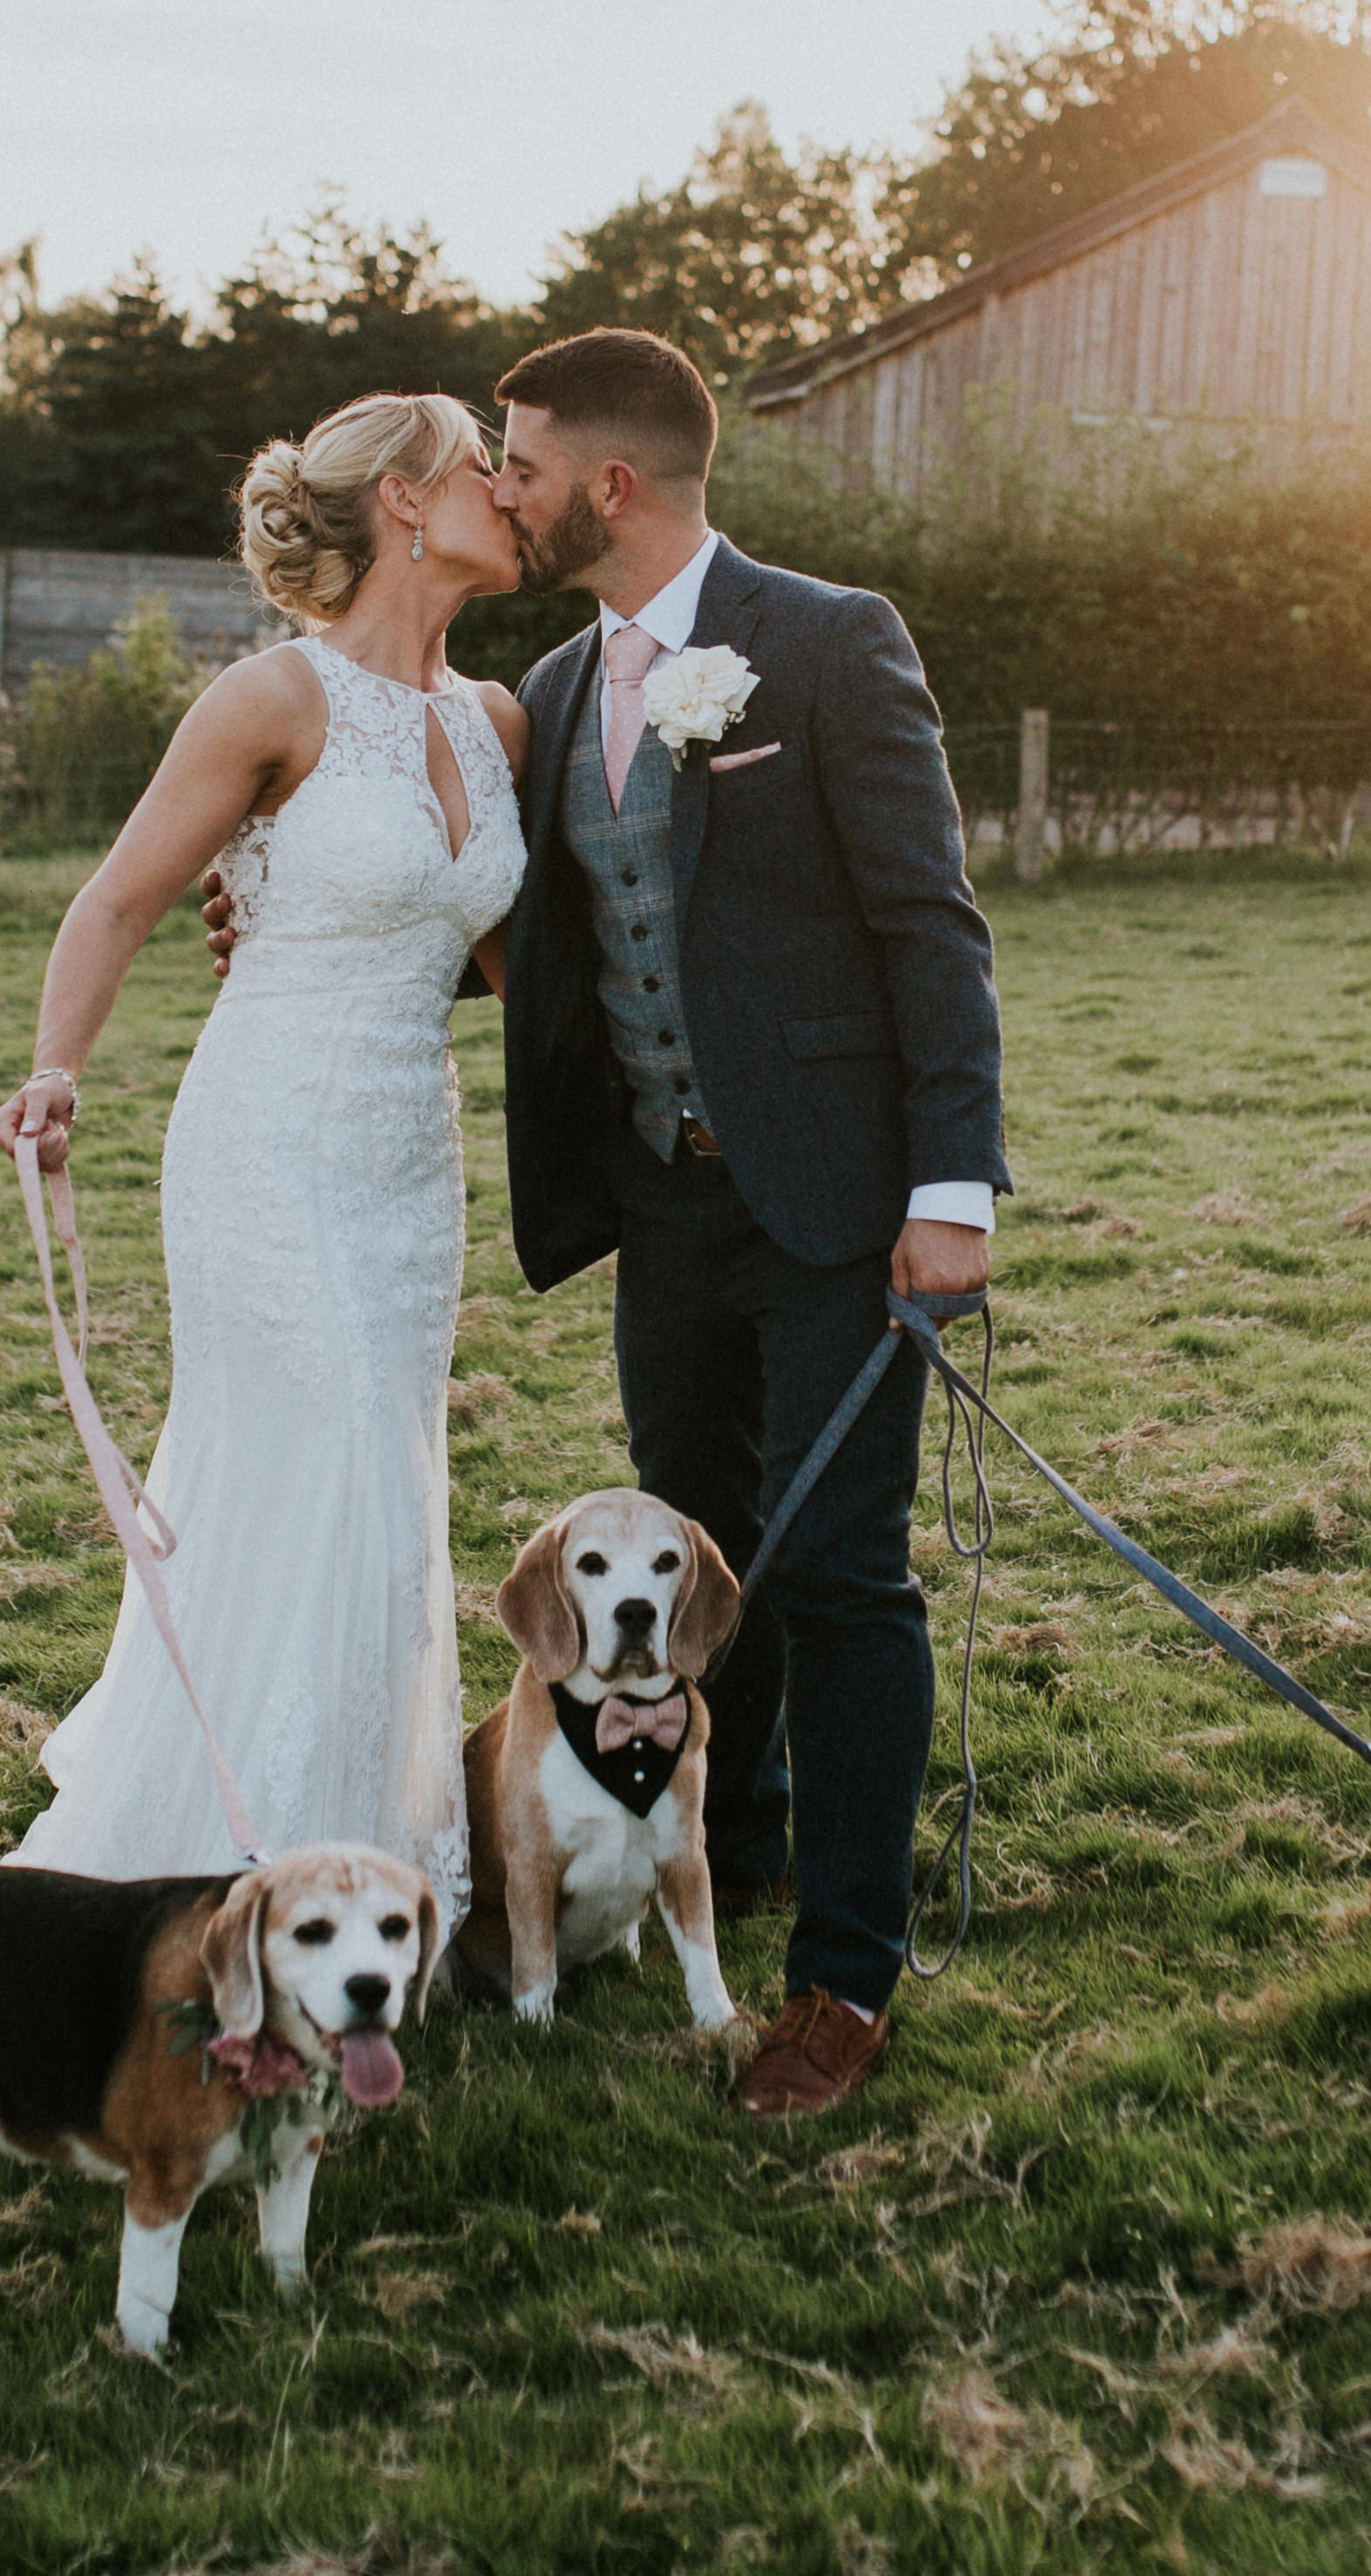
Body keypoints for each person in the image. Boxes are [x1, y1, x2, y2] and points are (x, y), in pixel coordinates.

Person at [479, 328, 1006, 2121]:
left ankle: (843, 1978)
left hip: (845, 1211)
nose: (502, 487)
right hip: (662, 1209)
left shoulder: (830, 640)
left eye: (520, 461)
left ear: (610, 484)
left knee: (844, 1575)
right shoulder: (549, 691)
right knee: (712, 1573)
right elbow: (568, 931)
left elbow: (932, 924)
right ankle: (747, 1840)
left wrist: (951, 1191)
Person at [0, 392, 528, 1916]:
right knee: (331, 1451)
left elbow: (511, 968)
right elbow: (115, 903)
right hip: (267, 1140)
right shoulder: (269, 699)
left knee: (379, 1481)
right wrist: (55, 1073)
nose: (510, 490)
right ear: (412, 502)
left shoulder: (500, 724)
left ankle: (348, 1865)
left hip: (407, 1160)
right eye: (484, 467)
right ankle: (244, 1862)